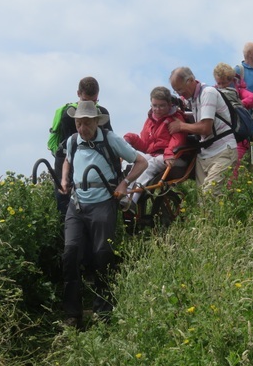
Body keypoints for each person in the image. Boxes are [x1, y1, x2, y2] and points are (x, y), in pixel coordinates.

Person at [59, 101, 147, 328]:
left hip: (103, 202)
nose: (81, 128)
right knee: (70, 253)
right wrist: (64, 179)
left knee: (102, 253)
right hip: (77, 204)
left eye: (86, 123)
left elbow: (141, 161)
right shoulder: (72, 141)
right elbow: (68, 160)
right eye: (78, 123)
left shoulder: (110, 139)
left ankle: (103, 312)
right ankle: (72, 315)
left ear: (96, 122)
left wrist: (125, 183)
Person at [168, 67, 237, 195]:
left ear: (190, 80)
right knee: (204, 201)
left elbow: (205, 128)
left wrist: (181, 126)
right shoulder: (192, 99)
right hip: (205, 154)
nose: (179, 94)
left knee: (208, 196)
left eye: (180, 89)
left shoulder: (208, 93)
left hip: (222, 150)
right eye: (176, 90)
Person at [51, 77, 113, 218]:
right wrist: (65, 178)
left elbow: (109, 138)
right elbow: (72, 146)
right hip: (67, 158)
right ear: (78, 94)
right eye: (86, 101)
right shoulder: (68, 115)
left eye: (94, 102)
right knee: (65, 201)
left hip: (91, 162)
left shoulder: (102, 113)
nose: (90, 106)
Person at [123, 86, 187, 209]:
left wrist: (169, 153)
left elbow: (178, 140)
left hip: (174, 156)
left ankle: (132, 200)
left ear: (169, 104)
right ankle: (125, 191)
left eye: (161, 106)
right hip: (155, 155)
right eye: (154, 105)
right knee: (135, 161)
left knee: (148, 165)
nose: (157, 109)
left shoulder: (175, 118)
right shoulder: (150, 119)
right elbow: (146, 145)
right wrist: (131, 138)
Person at [213, 62, 253, 167]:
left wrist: (238, 105)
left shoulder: (238, 91)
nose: (221, 86)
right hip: (222, 137)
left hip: (238, 136)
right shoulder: (214, 91)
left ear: (230, 80)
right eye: (218, 83)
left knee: (235, 168)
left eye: (224, 83)